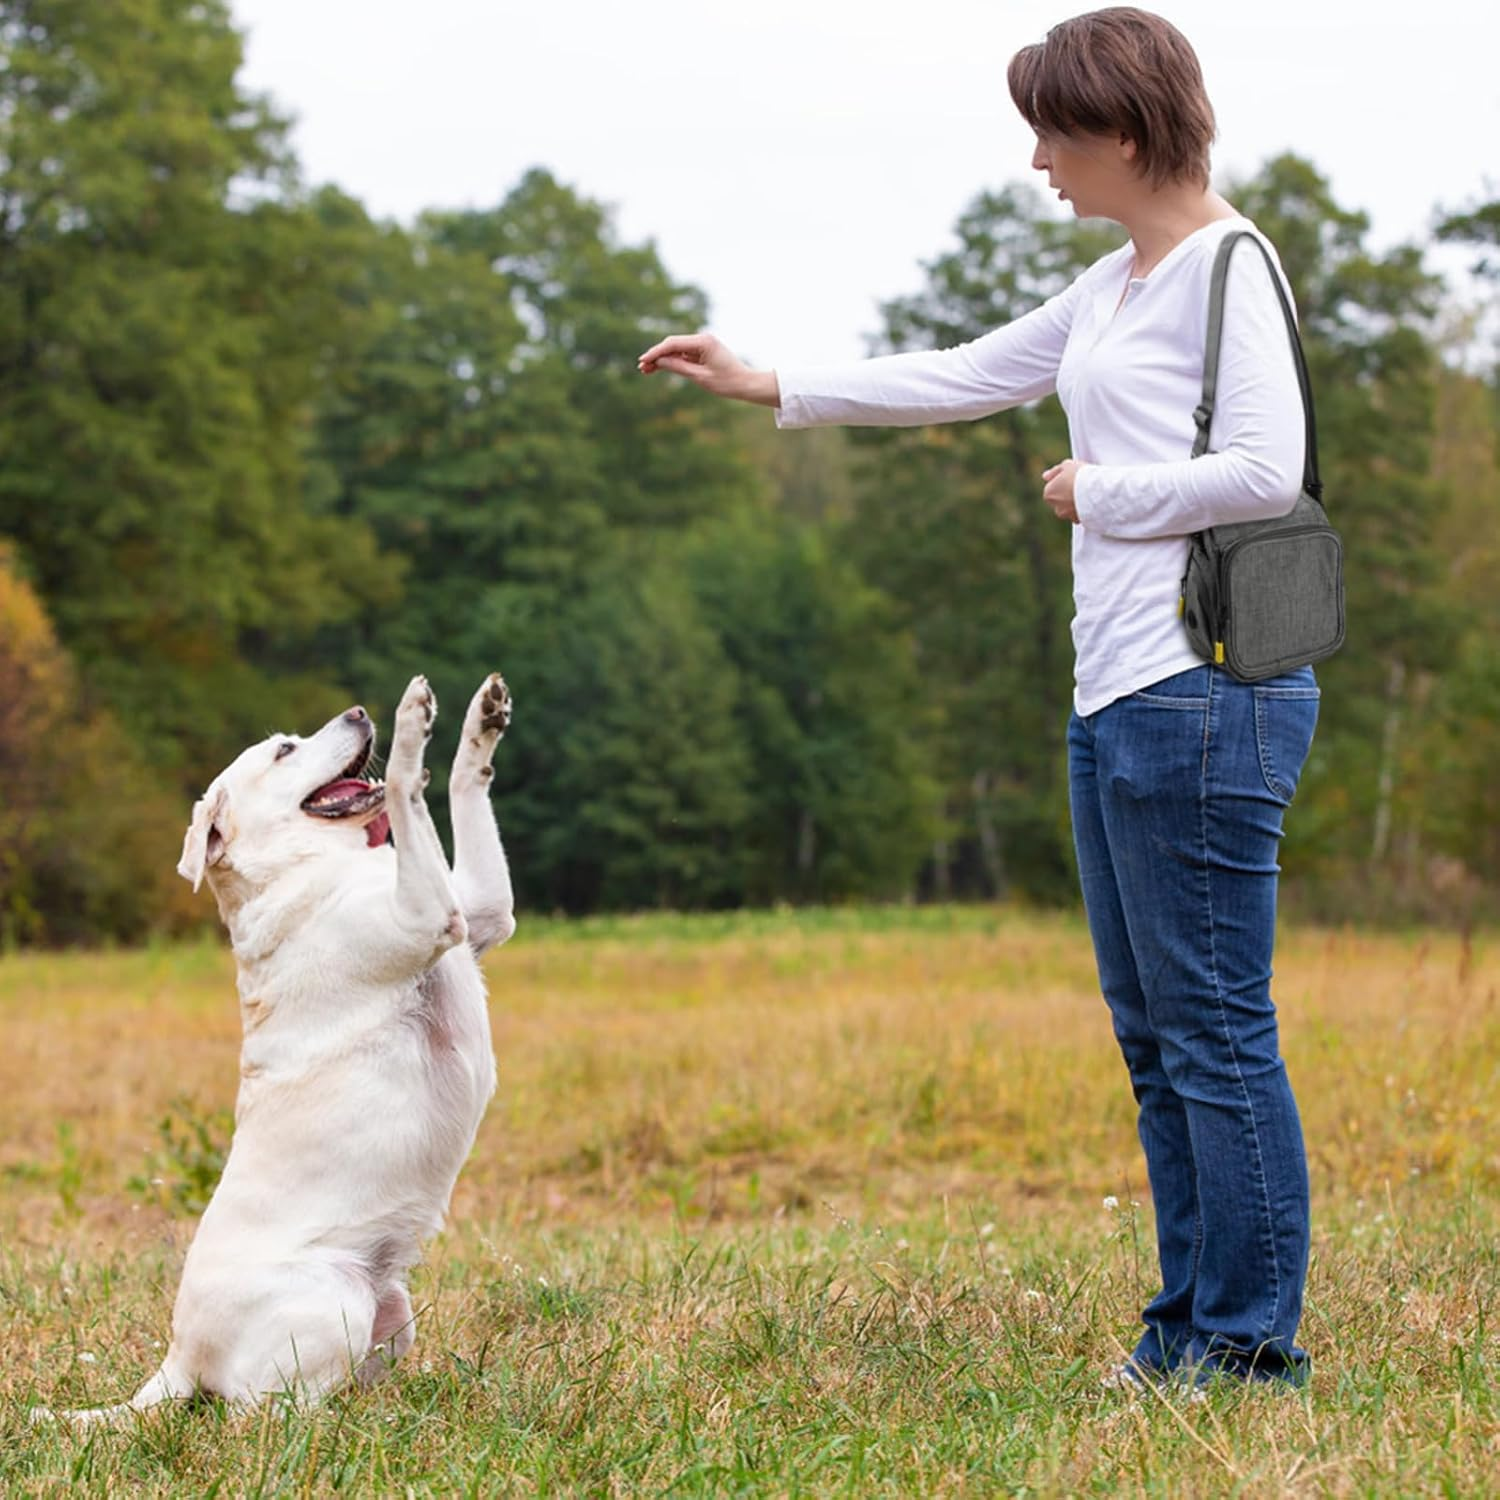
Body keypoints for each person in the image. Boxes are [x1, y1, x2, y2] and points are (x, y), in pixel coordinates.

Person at [639, 7, 1321, 1389]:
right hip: (1117, 697)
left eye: (1053, 134)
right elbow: (963, 376)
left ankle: (1248, 1349)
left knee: (1214, 1029)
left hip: (1201, 693)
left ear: (1124, 132)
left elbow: (1270, 469)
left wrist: (1100, 493)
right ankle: (1187, 1326)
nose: (1036, 161)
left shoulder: (1230, 271)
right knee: (1155, 1033)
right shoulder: (1120, 283)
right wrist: (767, 381)